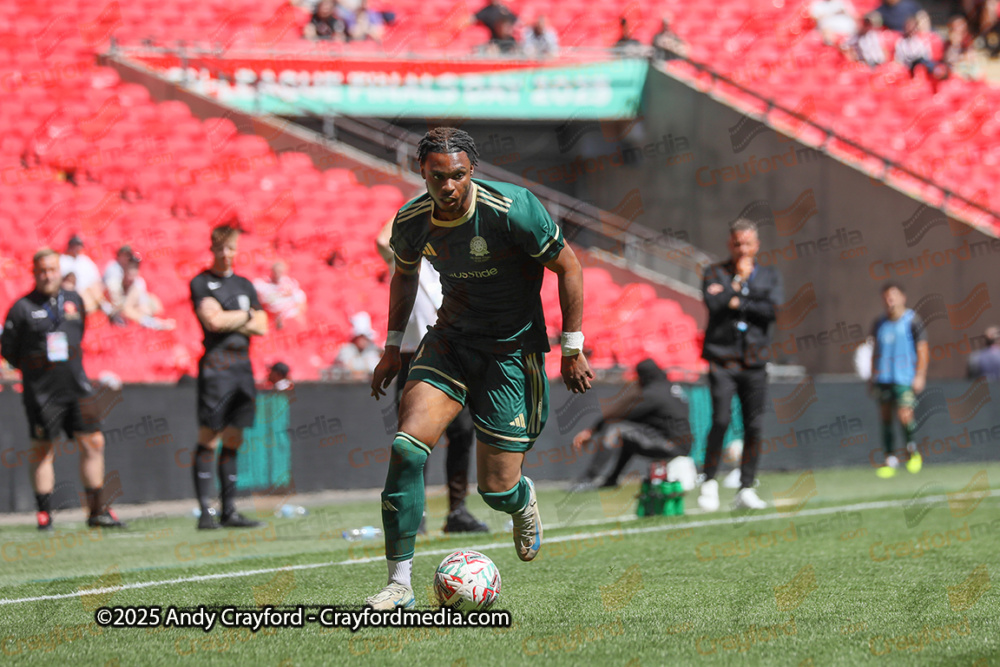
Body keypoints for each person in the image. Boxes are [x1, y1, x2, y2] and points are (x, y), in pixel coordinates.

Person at [365, 127, 593, 609]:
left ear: (473, 171)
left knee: (495, 489)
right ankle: (399, 584)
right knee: (406, 448)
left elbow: (569, 267)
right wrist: (392, 346)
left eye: (457, 175)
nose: (448, 186)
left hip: (510, 353)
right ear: (421, 172)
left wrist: (572, 348)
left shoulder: (513, 209)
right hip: (450, 341)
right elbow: (404, 273)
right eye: (437, 176)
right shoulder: (412, 220)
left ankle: (520, 499)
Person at [375, 218, 490, 534]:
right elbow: (382, 241)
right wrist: (412, 208)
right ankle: (415, 512)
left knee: (463, 433)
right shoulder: (408, 261)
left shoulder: (453, 265)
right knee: (415, 438)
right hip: (416, 356)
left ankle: (457, 511)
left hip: (456, 353)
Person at [1, 248, 125, 530]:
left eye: (52, 270)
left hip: (77, 386)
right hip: (42, 391)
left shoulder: (73, 300)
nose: (47, 275)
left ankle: (97, 511)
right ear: (34, 273)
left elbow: (78, 334)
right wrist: (34, 369)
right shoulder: (22, 307)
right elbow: (9, 350)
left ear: (60, 271)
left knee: (94, 442)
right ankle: (45, 514)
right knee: (43, 449)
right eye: (42, 271)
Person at [697, 219, 783, 512]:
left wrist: (737, 298)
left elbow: (771, 310)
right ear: (729, 244)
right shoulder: (714, 272)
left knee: (754, 425)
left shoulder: (769, 275)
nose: (742, 249)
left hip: (755, 363)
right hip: (722, 361)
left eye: (747, 244)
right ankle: (709, 480)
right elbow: (714, 304)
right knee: (720, 420)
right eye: (737, 244)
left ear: (756, 245)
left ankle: (746, 486)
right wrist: (739, 287)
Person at [189, 224, 269, 530]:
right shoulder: (201, 282)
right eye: (220, 248)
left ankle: (229, 510)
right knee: (209, 437)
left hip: (242, 368)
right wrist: (246, 316)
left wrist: (234, 318)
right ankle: (204, 512)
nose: (226, 253)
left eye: (231, 247)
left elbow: (262, 325)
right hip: (216, 368)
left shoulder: (245, 284)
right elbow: (212, 321)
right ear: (212, 249)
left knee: (235, 437)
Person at [571, 359, 692, 489]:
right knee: (628, 438)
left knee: (615, 429)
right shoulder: (671, 388)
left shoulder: (653, 393)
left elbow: (621, 414)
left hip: (670, 445)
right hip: (680, 444)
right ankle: (612, 480)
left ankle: (588, 479)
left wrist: (591, 430)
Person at [870, 282, 928, 478]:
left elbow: (922, 349)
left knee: (905, 415)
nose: (890, 301)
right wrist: (872, 375)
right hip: (883, 378)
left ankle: (912, 452)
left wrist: (920, 375)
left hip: (904, 378)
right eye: (886, 297)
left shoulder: (913, 321)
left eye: (893, 296)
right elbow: (875, 351)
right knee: (885, 417)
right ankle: (890, 459)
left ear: (903, 297)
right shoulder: (879, 323)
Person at [113, 257, 176, 330]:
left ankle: (156, 323)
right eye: (130, 267)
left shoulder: (138, 282)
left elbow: (132, 304)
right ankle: (156, 323)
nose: (132, 271)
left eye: (135, 268)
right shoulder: (117, 279)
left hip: (142, 308)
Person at [253, 260, 307, 330]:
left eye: (281, 272)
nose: (278, 274)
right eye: (276, 271)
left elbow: (301, 304)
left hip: (289, 317)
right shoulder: (262, 285)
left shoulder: (291, 285)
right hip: (271, 318)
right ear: (271, 271)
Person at [332, 312, 383, 379]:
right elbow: (348, 367)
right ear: (356, 338)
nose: (364, 341)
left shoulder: (371, 349)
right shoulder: (346, 349)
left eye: (366, 338)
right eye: (362, 337)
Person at [59, 235, 102, 312]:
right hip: (71, 291)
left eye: (79, 246)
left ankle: (105, 308)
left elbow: (96, 278)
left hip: (88, 290)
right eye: (75, 246)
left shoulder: (84, 260)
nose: (77, 248)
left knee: (95, 289)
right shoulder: (62, 260)